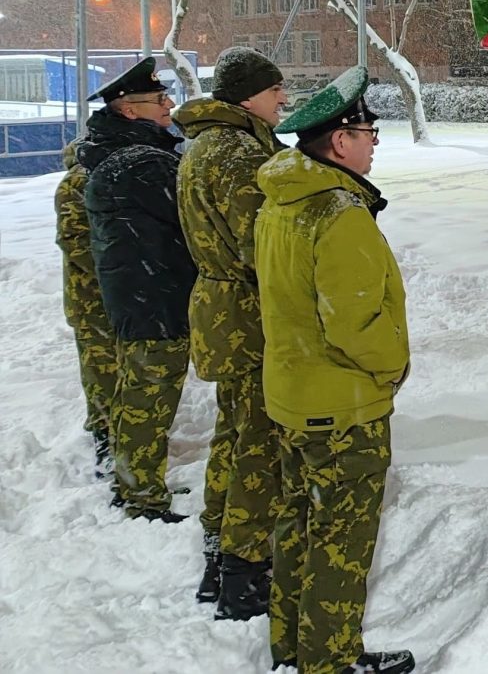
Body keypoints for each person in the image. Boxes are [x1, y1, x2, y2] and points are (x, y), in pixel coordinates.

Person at [256, 67, 414, 674]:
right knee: (340, 542)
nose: (375, 140)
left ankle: (293, 651)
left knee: (296, 526)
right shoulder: (339, 214)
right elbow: (352, 324)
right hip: (342, 406)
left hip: (294, 396)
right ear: (339, 141)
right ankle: (330, 662)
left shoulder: (283, 202)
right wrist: (392, 366)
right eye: (368, 130)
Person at [174, 47, 288, 616]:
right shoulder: (238, 154)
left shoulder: (206, 146)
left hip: (222, 308)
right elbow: (259, 243)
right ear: (248, 97)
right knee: (260, 441)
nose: (284, 99)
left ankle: (219, 553)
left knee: (235, 433)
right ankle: (245, 574)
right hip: (246, 313)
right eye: (275, 91)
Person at [78, 58, 197, 521]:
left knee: (140, 393)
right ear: (129, 110)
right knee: (149, 398)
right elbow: (187, 213)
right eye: (158, 99)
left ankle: (135, 483)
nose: (169, 104)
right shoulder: (139, 162)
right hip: (151, 294)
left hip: (144, 289)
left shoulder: (129, 151)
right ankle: (141, 497)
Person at [55, 139, 118, 479]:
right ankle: (105, 439)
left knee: (113, 368)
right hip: (90, 299)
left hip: (110, 296)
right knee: (101, 370)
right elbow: (75, 241)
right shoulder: (77, 183)